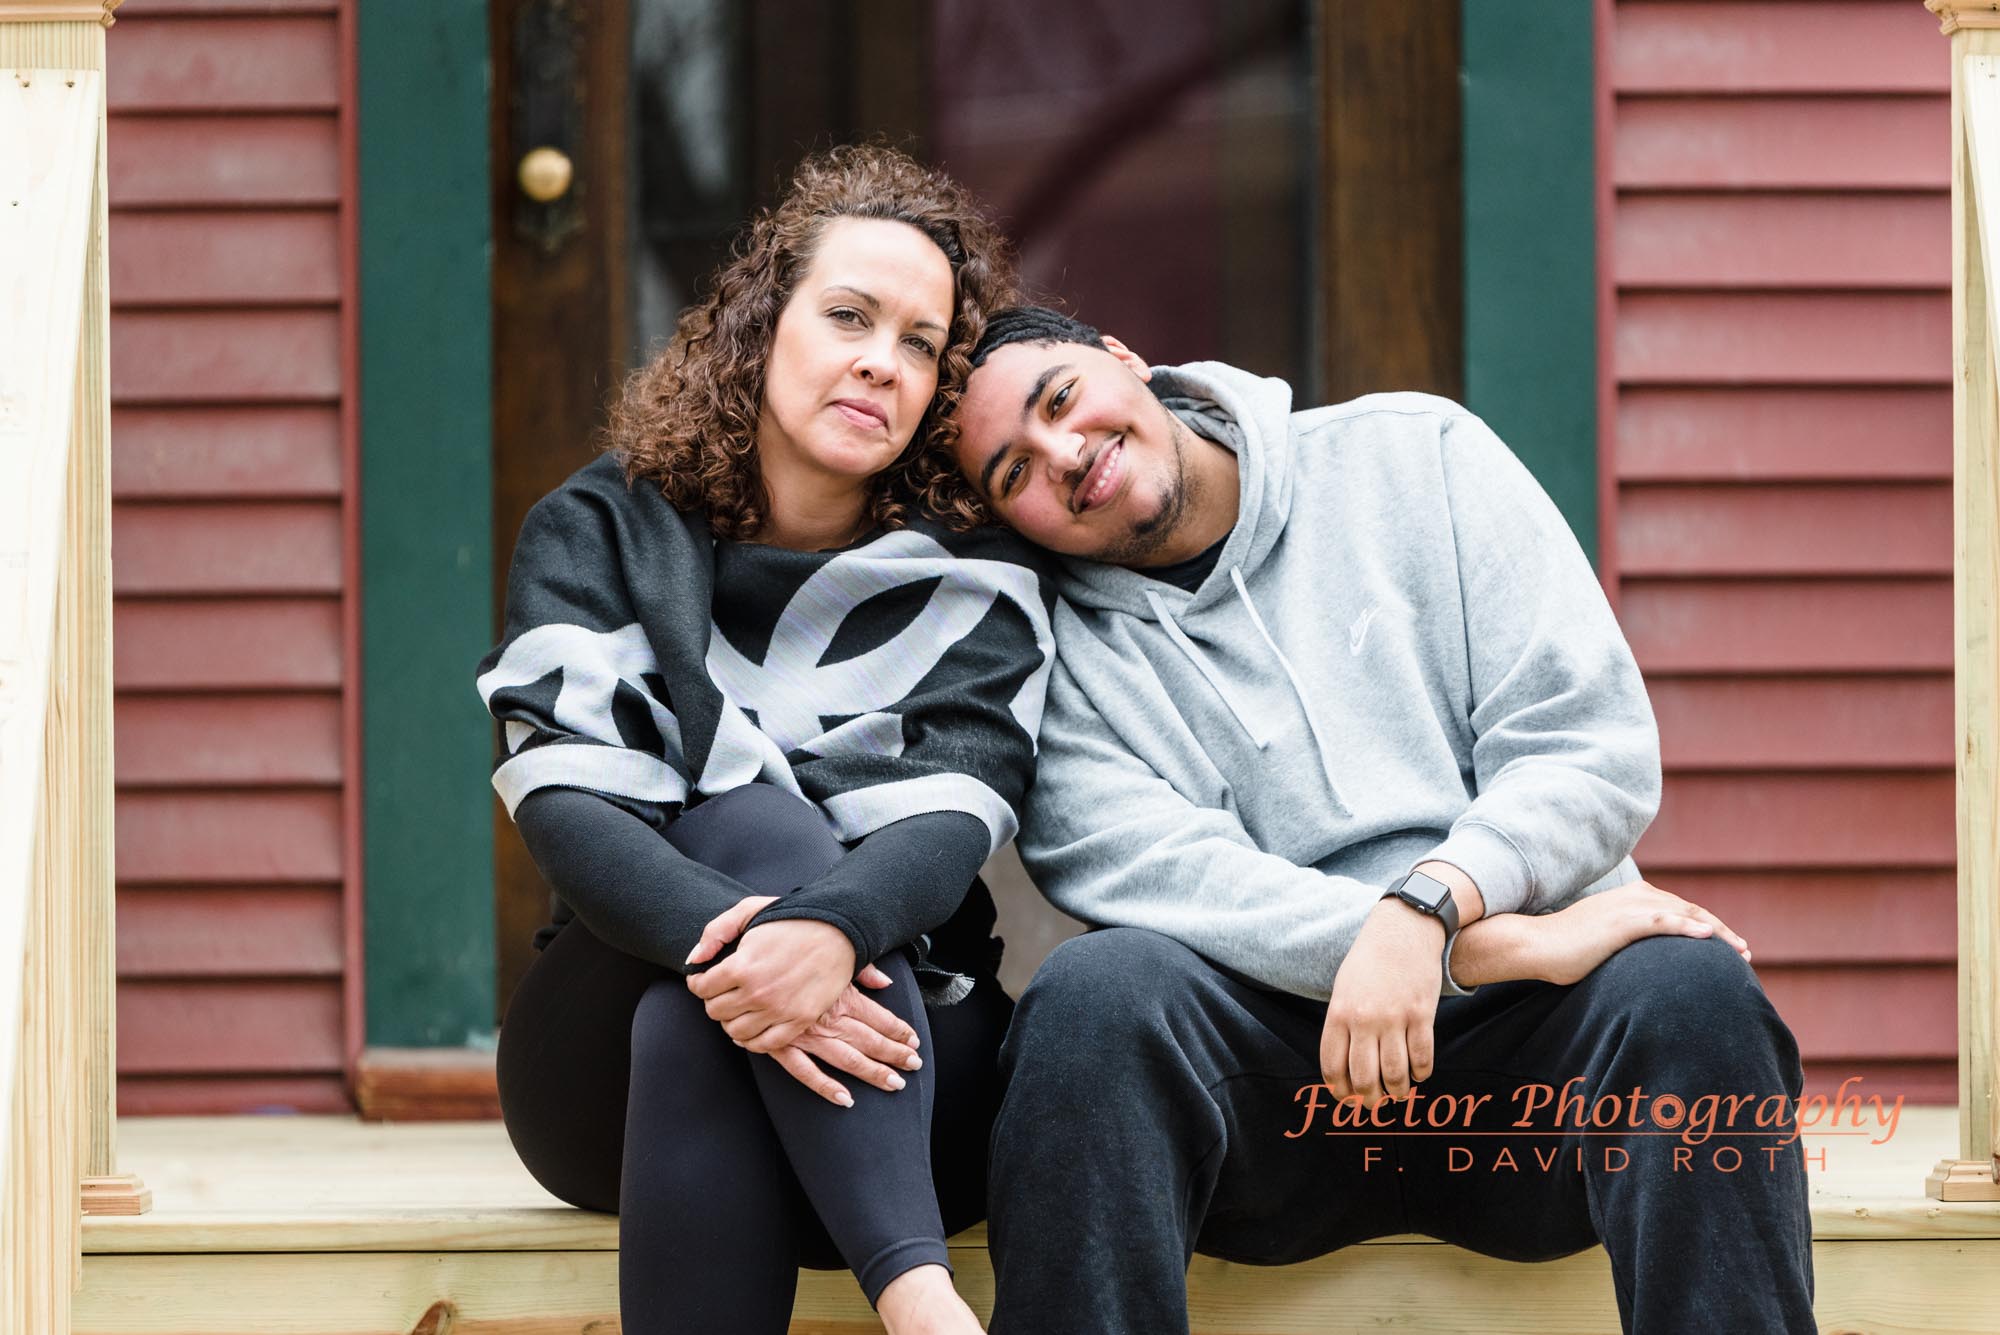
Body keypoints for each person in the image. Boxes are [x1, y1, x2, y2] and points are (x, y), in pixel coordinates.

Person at [935, 306, 1815, 1333]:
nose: (1064, 453)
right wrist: (1464, 944)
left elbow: (1584, 745)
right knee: (1091, 999)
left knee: (1690, 992)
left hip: (1532, 1079)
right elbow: (1165, 874)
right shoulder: (1052, 650)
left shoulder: (1415, 454)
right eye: (1014, 472)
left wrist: (1432, 905)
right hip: (1274, 1098)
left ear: (1124, 358)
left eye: (1059, 398)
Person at [476, 147, 1053, 1335]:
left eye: (919, 345)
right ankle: (922, 1304)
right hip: (596, 1080)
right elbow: (569, 813)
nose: (879, 362)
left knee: (696, 1011)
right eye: (848, 316)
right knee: (747, 830)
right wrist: (773, 950)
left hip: (905, 1057)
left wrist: (828, 936)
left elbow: (949, 824)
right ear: (759, 324)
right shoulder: (601, 530)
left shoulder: (972, 576)